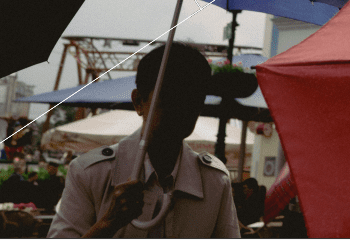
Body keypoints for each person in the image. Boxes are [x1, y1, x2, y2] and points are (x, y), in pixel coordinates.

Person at [48, 43, 239, 238]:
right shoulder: (90, 174)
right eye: (169, 99)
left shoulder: (215, 182)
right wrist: (108, 223)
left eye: (192, 101)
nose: (181, 111)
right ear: (139, 101)